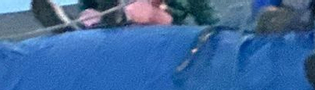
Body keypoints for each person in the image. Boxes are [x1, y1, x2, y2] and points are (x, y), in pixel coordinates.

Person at [31, 0, 216, 30]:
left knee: (143, 9)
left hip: (161, 21)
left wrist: (214, 29)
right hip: (108, 13)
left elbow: (201, 9)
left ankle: (118, 18)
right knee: (90, 15)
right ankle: (70, 28)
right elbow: (87, 4)